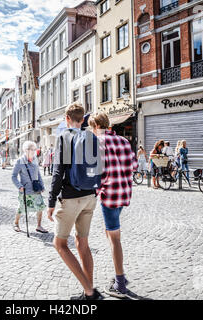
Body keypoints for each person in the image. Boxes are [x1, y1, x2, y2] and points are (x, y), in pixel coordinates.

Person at [47, 103, 103, 300]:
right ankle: (89, 291)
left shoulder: (65, 137)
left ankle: (89, 290)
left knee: (60, 244)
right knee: (83, 243)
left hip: (71, 198)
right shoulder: (90, 136)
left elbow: (58, 172)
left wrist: (51, 201)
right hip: (90, 196)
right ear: (83, 119)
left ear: (67, 118)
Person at [88, 112, 137, 299]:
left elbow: (93, 172)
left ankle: (120, 282)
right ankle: (120, 277)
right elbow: (133, 166)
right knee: (110, 232)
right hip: (123, 193)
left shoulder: (97, 143)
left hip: (108, 195)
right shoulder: (123, 141)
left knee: (115, 238)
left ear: (94, 127)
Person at [11, 141, 48, 234]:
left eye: (34, 149)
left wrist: (42, 185)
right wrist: (19, 186)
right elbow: (13, 176)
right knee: (21, 207)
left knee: (40, 207)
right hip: (25, 190)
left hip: (36, 189)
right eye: (32, 149)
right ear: (26, 150)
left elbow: (38, 174)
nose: (33, 151)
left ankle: (39, 226)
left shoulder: (35, 159)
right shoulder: (20, 161)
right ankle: (16, 223)